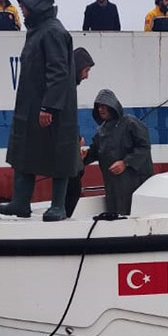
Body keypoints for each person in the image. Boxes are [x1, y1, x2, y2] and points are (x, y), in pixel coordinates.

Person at [0, 0, 78, 222]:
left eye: (24, 6)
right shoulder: (38, 30)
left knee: (59, 153)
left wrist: (48, 106)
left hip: (49, 108)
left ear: (37, 5)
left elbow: (58, 71)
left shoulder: (53, 31)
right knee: (23, 150)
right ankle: (20, 202)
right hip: (30, 105)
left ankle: (58, 205)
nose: (22, 10)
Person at [83, 89, 153, 216]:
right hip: (113, 184)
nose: (100, 109)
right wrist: (83, 156)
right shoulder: (101, 131)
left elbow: (144, 147)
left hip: (134, 181)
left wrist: (125, 163)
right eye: (99, 107)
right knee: (115, 213)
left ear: (112, 106)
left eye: (104, 106)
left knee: (132, 212)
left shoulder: (131, 122)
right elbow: (95, 152)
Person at [64, 47, 96, 217]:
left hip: (67, 144)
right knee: (72, 183)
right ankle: (65, 216)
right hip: (66, 147)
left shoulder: (67, 86)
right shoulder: (66, 88)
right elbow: (64, 117)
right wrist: (76, 140)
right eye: (86, 70)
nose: (86, 76)